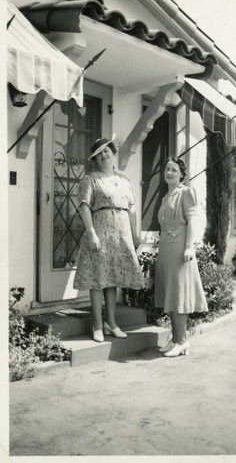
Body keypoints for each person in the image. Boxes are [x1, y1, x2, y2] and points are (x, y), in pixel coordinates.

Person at [73, 137, 144, 342]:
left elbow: (131, 208)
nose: (104, 155)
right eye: (99, 154)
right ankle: (97, 325)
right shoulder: (91, 179)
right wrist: (92, 233)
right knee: (97, 279)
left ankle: (111, 323)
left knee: (112, 279)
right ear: (95, 159)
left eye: (106, 151)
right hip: (101, 232)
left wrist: (134, 234)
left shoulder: (124, 181)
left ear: (113, 153)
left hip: (120, 233)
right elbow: (84, 206)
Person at [155, 157, 208, 357]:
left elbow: (193, 220)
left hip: (179, 248)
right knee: (170, 293)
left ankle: (182, 341)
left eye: (174, 170)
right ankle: (175, 338)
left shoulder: (185, 192)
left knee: (179, 294)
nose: (169, 173)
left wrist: (189, 247)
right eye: (167, 169)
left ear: (181, 174)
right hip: (166, 248)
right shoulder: (166, 196)